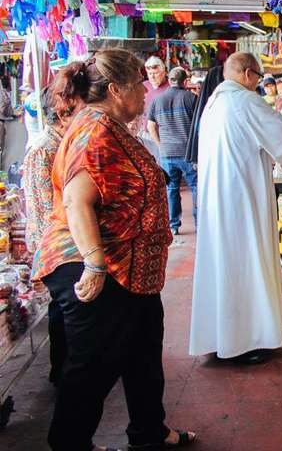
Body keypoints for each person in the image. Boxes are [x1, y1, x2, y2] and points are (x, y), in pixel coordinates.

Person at [31, 49, 195, 451]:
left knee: (142, 354)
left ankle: (150, 434)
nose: (145, 92)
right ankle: (69, 444)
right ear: (117, 89)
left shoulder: (110, 124)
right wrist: (94, 264)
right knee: (92, 367)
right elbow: (76, 200)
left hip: (129, 269)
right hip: (97, 267)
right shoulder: (95, 130)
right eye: (140, 84)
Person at [189, 53, 282, 364]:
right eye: (259, 77)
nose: (259, 85)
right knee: (245, 261)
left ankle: (222, 335)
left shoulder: (215, 102)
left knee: (224, 263)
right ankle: (247, 341)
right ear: (249, 74)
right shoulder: (244, 101)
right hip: (241, 197)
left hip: (219, 197)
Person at [23, 87, 83, 385]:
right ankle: (61, 372)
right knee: (62, 312)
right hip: (58, 247)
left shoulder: (62, 144)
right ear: (61, 116)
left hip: (67, 243)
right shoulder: (45, 150)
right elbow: (50, 209)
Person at [147, 67, 199, 236]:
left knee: (172, 189)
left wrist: (160, 144)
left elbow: (150, 126)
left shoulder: (158, 100)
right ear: (185, 82)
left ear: (169, 80)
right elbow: (200, 126)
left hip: (167, 153)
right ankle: (199, 222)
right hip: (188, 153)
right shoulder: (192, 98)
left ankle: (174, 225)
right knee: (195, 187)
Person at [138, 56, 170, 161]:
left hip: (164, 136)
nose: (152, 77)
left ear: (164, 72)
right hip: (145, 134)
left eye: (155, 73)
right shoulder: (144, 86)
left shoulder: (171, 87)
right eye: (149, 74)